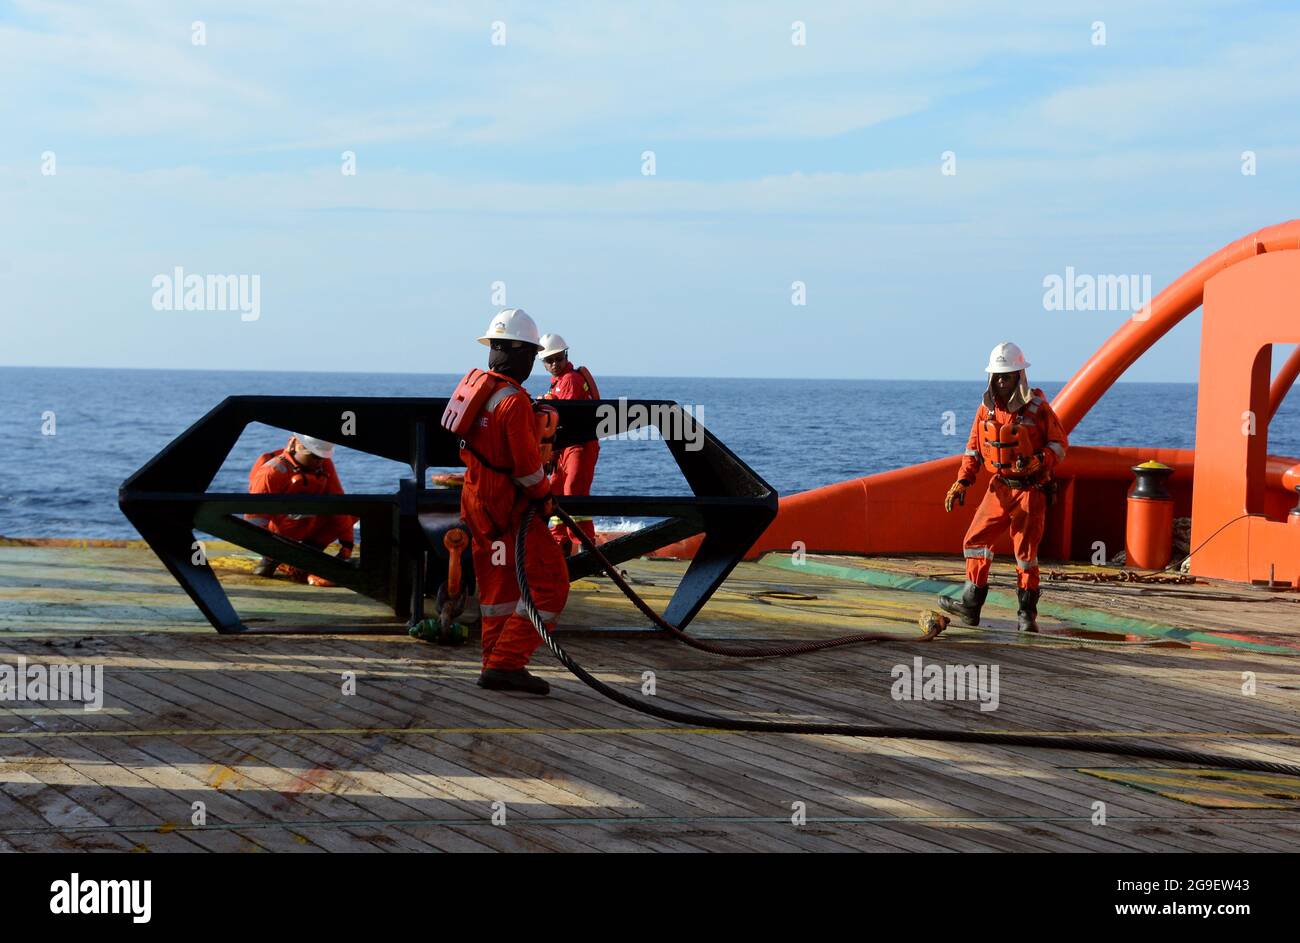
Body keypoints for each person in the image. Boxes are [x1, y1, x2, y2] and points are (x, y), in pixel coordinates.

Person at [445, 308, 568, 695]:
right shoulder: (513, 402)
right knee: (550, 583)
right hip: (509, 509)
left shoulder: (481, 392)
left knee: (498, 591)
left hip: (477, 502)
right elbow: (528, 470)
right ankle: (507, 662)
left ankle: (493, 665)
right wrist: (546, 500)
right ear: (524, 355)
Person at [939, 342, 1069, 632]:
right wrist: (962, 481)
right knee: (975, 541)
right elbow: (973, 450)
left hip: (1030, 490)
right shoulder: (985, 412)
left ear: (1019, 376)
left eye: (1006, 376)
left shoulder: (1039, 410)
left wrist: (1038, 460)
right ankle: (971, 606)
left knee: (1025, 555)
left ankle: (1026, 616)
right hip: (999, 488)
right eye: (997, 376)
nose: (1000, 381)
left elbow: (1060, 446)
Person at [247, 434, 354, 586]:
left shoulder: (324, 464)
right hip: (279, 531)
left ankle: (309, 557)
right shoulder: (271, 472)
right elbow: (255, 520)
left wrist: (347, 545)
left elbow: (339, 503)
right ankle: (272, 562)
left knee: (349, 513)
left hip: (307, 522)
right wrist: (269, 550)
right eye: (314, 456)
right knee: (304, 514)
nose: (319, 461)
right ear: (296, 446)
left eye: (322, 457)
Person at [537, 332, 601, 555]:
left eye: (558, 358)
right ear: (543, 363)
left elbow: (566, 416)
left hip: (580, 445)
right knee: (555, 491)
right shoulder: (557, 383)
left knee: (575, 491)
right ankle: (559, 545)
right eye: (549, 360)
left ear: (566, 355)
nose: (555, 363)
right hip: (565, 447)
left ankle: (586, 548)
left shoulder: (571, 380)